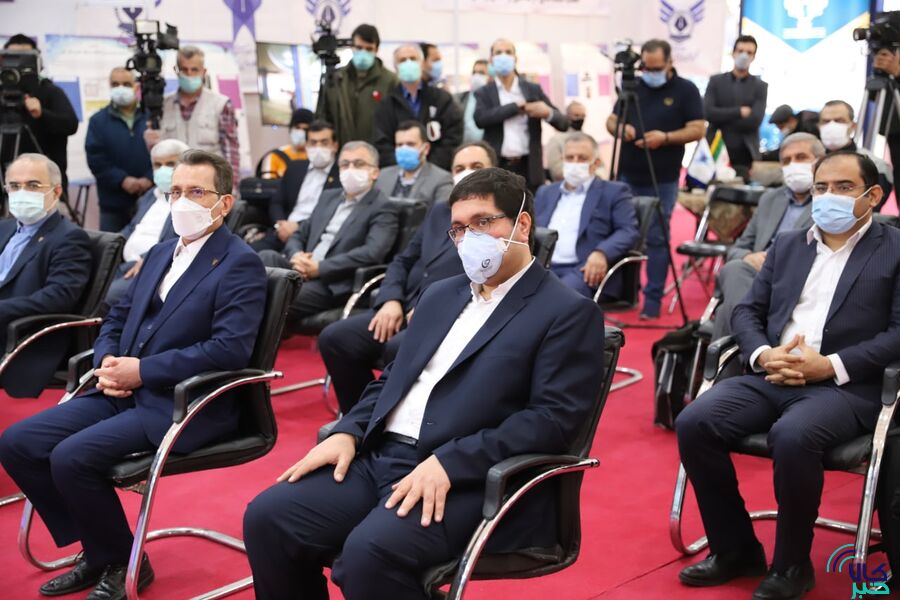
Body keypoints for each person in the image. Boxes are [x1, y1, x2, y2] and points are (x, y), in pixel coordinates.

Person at [242, 166, 607, 600]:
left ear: (522, 225)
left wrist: (451, 461)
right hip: (381, 456)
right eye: (459, 228)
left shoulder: (566, 311)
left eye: (482, 222)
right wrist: (348, 430)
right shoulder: (441, 294)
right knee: (268, 518)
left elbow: (552, 421)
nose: (469, 238)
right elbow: (392, 380)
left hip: (467, 477)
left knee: (368, 555)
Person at [0, 149, 267, 600]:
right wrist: (107, 361)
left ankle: (121, 561)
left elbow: (229, 349)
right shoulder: (161, 252)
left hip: (183, 401)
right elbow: (116, 315)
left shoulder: (239, 262)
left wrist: (142, 371)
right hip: (123, 387)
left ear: (224, 203)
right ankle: (99, 546)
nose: (182, 201)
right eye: (175, 191)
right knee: (18, 443)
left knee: (71, 457)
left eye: (196, 192)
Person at [675, 151, 900, 600]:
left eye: (843, 188)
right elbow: (747, 311)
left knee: (793, 436)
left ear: (873, 195)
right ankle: (735, 549)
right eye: (821, 188)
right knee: (694, 422)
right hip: (772, 374)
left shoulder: (894, 249)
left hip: (845, 385)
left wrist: (830, 365)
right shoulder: (790, 244)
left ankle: (792, 565)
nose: (829, 197)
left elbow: (898, 333)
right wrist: (763, 354)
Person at [318, 141, 495, 414]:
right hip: (404, 306)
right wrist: (390, 299)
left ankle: (395, 420)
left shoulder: (496, 221)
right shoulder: (439, 211)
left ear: (494, 171)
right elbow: (403, 260)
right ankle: (360, 417)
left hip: (449, 315)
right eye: (459, 168)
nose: (467, 173)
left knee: (398, 347)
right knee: (335, 338)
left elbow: (486, 278)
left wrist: (430, 306)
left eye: (476, 166)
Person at [605, 38, 705, 319]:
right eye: (646, 68)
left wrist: (666, 137)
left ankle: (652, 299)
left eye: (656, 68)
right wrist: (620, 128)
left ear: (670, 62)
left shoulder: (686, 90)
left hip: (663, 176)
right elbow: (611, 120)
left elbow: (698, 128)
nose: (650, 73)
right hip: (627, 173)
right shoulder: (632, 87)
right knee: (624, 234)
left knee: (658, 238)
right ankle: (625, 294)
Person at [258, 141, 399, 325]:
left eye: (358, 164)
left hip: (332, 282)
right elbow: (300, 233)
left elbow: (372, 252)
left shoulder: (383, 207)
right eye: (345, 164)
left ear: (375, 172)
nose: (350, 170)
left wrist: (320, 268)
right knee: (265, 257)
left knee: (275, 295)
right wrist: (297, 255)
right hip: (302, 268)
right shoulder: (328, 197)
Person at [711, 133, 822, 340]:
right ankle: (753, 343)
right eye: (786, 161)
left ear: (819, 161)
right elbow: (738, 248)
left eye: (801, 157)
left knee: (727, 310)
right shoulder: (770, 199)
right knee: (736, 267)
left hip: (796, 280)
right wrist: (747, 257)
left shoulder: (827, 202)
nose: (793, 165)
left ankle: (746, 346)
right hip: (755, 276)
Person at [0, 154, 91, 398]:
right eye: (14, 186)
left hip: (19, 335)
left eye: (32, 185)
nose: (21, 193)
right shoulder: (4, 228)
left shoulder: (69, 238)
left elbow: (58, 297)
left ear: (57, 191)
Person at [534, 132, 638, 300]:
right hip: (543, 267)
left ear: (595, 163)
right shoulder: (546, 192)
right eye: (570, 158)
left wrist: (602, 253)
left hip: (583, 269)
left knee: (551, 300)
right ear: (562, 160)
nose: (575, 163)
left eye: (582, 158)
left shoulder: (614, 191)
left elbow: (628, 231)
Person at [103, 139, 190, 308]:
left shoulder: (189, 202)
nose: (163, 170)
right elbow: (131, 228)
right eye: (158, 165)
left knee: (109, 297)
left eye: (170, 164)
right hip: (125, 265)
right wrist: (105, 246)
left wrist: (148, 259)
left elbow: (182, 242)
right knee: (85, 286)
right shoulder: (149, 196)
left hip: (156, 269)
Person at [474, 38, 569, 192]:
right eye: (498, 52)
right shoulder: (484, 92)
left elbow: (563, 123)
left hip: (529, 167)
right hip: (498, 166)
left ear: (515, 58)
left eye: (508, 52)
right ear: (491, 60)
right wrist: (515, 107)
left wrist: (547, 112)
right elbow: (480, 119)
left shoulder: (532, 89)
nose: (503, 56)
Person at [144, 46, 240, 189]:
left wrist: (231, 190)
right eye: (184, 69)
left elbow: (231, 153)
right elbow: (158, 154)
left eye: (194, 69)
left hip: (210, 187)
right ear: (176, 70)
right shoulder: (162, 106)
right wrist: (151, 143)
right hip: (175, 187)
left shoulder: (221, 104)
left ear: (203, 71)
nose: (189, 74)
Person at [0, 35, 78, 192]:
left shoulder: (50, 91)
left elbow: (70, 124)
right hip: (5, 183)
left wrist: (42, 114)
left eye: (24, 58)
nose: (18, 64)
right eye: (12, 58)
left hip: (45, 185)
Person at [250, 120, 341, 252]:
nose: (318, 148)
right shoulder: (295, 167)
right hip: (281, 232)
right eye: (313, 143)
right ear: (307, 145)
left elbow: (331, 214)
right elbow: (277, 202)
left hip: (313, 237)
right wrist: (280, 225)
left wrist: (298, 226)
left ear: (335, 146)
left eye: (324, 143)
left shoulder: (341, 176)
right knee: (247, 255)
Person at [372, 44, 462, 171]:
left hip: (437, 171)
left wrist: (430, 168)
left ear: (422, 64)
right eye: (402, 60)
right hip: (398, 172)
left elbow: (452, 137)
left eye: (413, 58)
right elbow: (382, 142)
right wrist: (402, 167)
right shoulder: (387, 104)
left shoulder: (442, 99)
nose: (408, 63)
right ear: (395, 68)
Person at [85, 67, 154, 232]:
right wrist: (122, 180)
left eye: (126, 84)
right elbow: (96, 159)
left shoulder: (152, 117)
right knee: (111, 246)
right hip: (112, 204)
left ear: (136, 86)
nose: (121, 88)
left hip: (150, 199)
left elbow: (165, 152)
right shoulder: (98, 121)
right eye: (116, 84)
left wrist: (149, 178)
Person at [317, 24, 398, 147]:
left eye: (369, 49)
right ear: (352, 47)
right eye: (359, 47)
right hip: (342, 152)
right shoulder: (336, 79)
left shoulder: (390, 81)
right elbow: (323, 117)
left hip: (377, 153)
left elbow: (395, 121)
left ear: (376, 50)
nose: (363, 53)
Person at [703, 35, 768, 180]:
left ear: (754, 57)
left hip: (744, 155)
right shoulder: (716, 81)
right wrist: (739, 112)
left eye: (749, 52)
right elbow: (708, 113)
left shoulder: (760, 86)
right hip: (714, 149)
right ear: (733, 53)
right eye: (740, 51)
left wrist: (721, 117)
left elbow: (755, 120)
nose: (744, 56)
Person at [818, 99, 894, 203]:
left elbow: (874, 205)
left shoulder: (875, 164)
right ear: (819, 126)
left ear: (853, 126)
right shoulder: (810, 161)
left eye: (839, 120)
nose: (831, 126)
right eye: (826, 121)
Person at [374, 120, 453, 205]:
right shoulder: (383, 176)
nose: (404, 149)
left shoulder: (441, 179)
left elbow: (441, 212)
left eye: (410, 144)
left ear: (426, 148)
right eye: (400, 145)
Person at [261, 108, 314, 177]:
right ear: (291, 129)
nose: (301, 132)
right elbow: (267, 182)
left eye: (305, 129)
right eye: (297, 127)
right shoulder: (275, 156)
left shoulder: (316, 155)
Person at [545, 101, 587, 182]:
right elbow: (557, 170)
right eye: (576, 115)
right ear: (567, 116)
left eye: (583, 116)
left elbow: (600, 166)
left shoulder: (588, 140)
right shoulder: (556, 140)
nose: (580, 119)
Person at [458, 59, 489, 143]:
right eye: (474, 72)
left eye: (481, 73)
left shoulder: (493, 99)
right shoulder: (461, 98)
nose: (476, 76)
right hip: (464, 145)